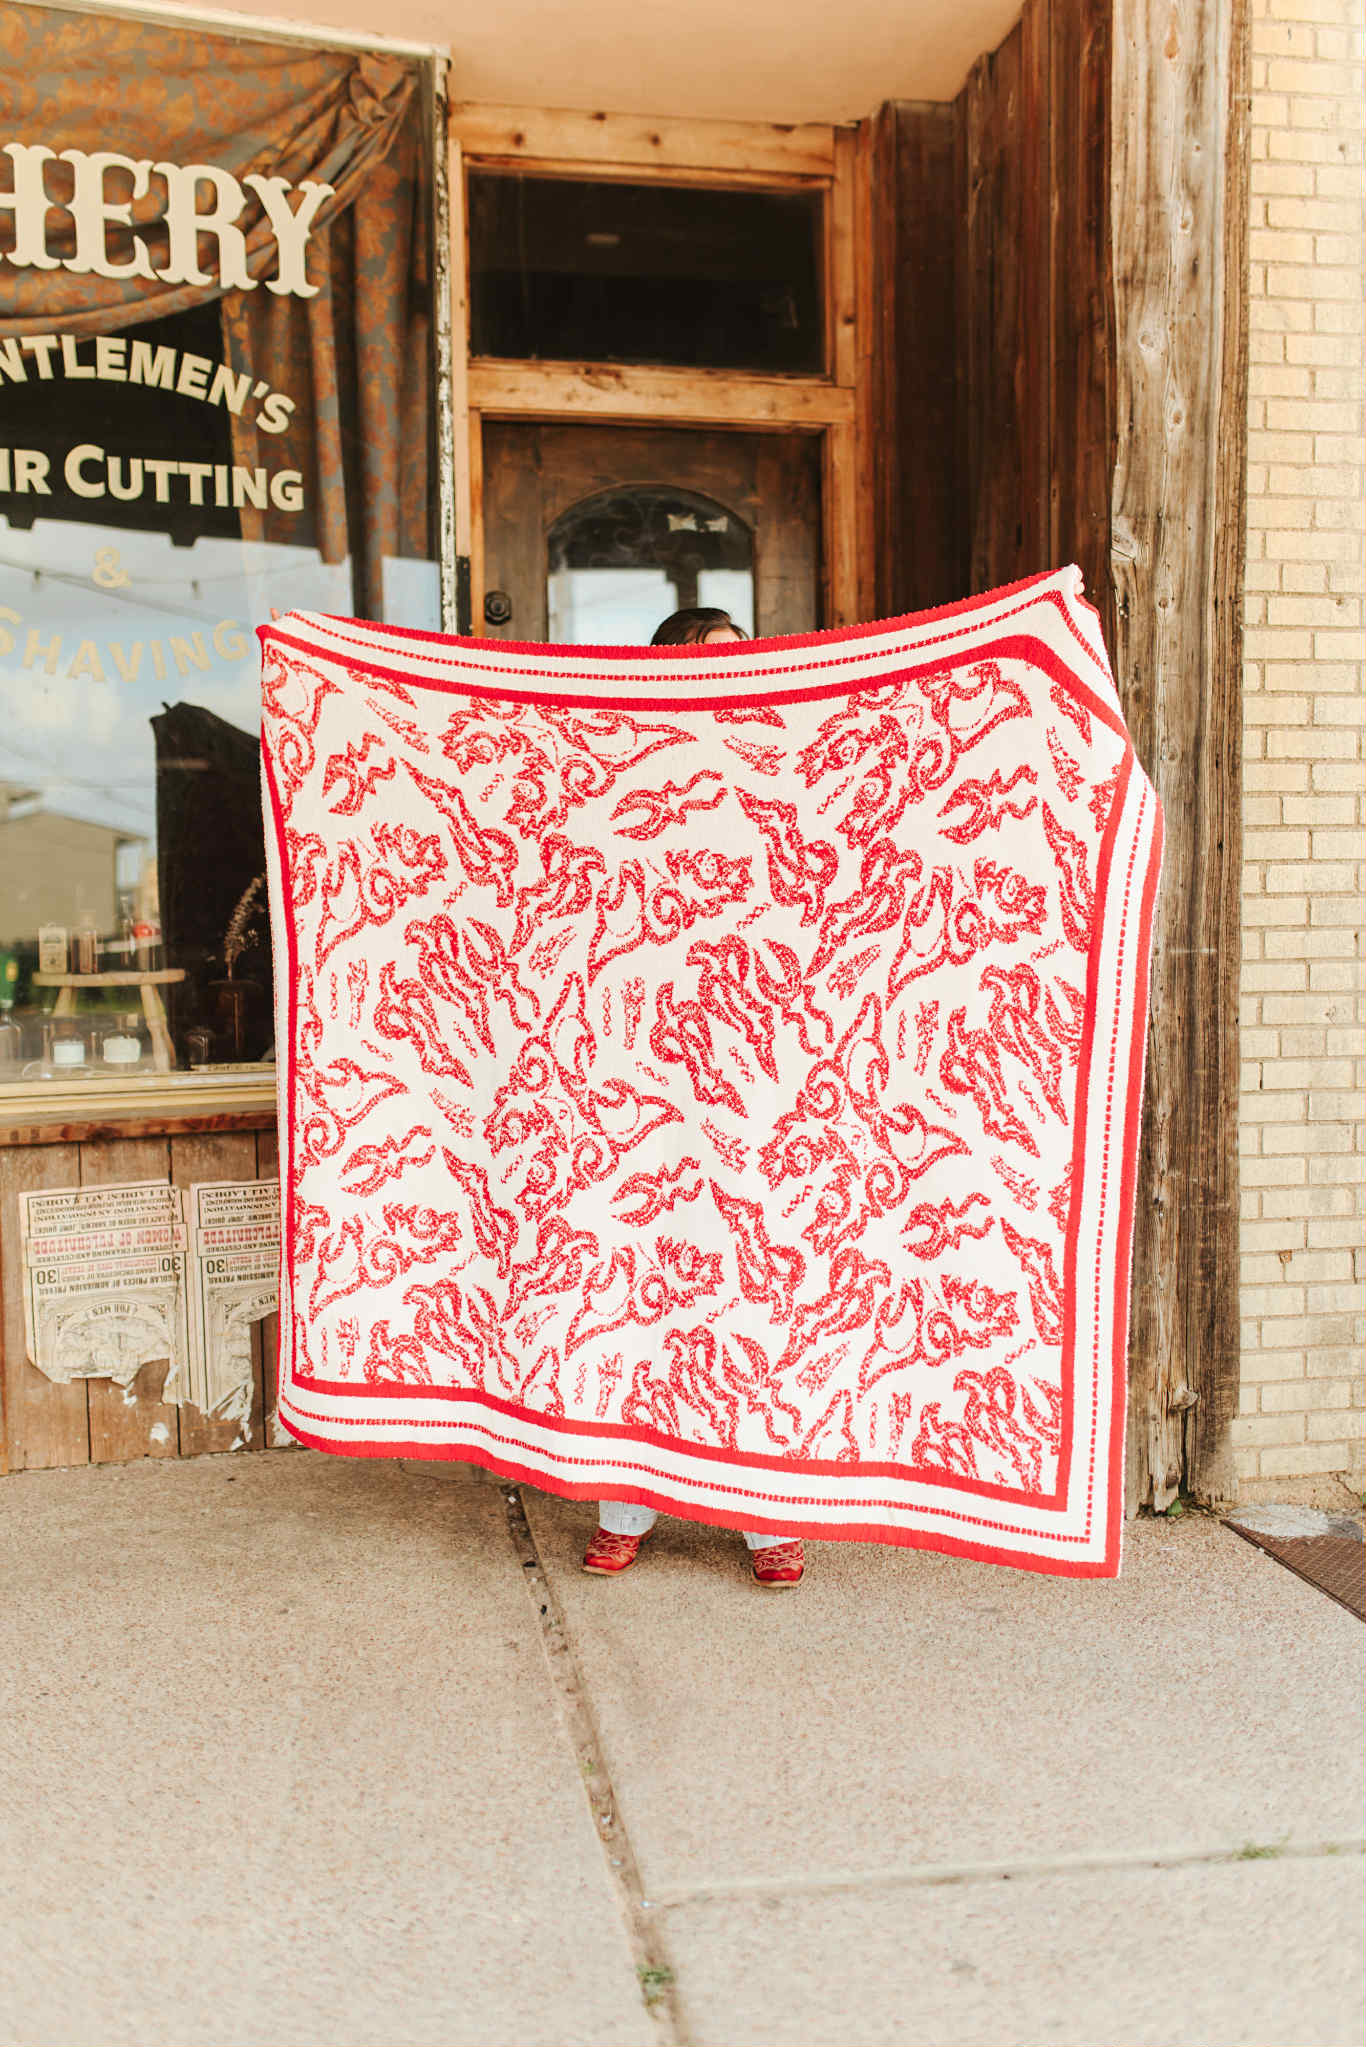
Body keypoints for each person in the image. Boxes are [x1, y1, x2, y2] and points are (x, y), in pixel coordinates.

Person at [581, 601, 806, 1589]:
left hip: (752, 1071)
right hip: (646, 1077)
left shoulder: (778, 774)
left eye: (740, 656)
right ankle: (626, 1508)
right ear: (668, 667)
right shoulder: (629, 775)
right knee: (645, 1287)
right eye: (711, 658)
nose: (733, 671)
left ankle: (767, 1519)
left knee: (750, 1288)